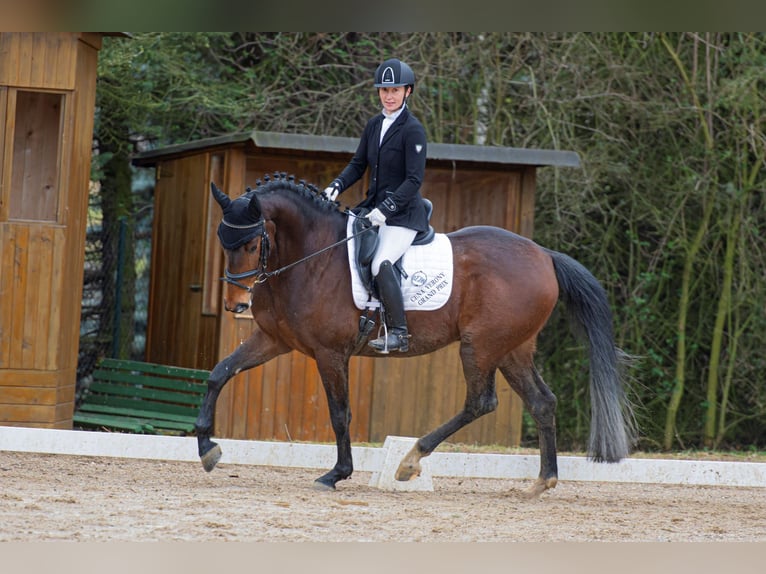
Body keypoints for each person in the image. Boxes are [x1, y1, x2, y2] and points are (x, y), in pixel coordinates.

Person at [323, 58, 429, 353]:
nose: (389, 96)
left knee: (382, 261)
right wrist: (336, 186)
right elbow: (358, 164)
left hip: (403, 215)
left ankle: (398, 331)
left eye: (395, 90)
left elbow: (413, 180)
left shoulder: (413, 130)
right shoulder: (374, 125)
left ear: (408, 91)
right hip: (373, 207)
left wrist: (386, 210)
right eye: (384, 90)